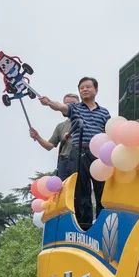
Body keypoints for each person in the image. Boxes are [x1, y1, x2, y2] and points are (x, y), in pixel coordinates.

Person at [39, 77, 111, 228]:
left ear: (96, 90)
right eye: (81, 88)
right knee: (81, 189)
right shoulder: (76, 108)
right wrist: (50, 102)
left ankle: (104, 221)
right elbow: (61, 107)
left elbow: (109, 131)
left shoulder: (104, 112)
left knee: (101, 188)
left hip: (98, 154)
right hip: (79, 152)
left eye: (87, 87)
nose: (84, 89)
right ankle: (84, 224)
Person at [30, 93, 80, 179]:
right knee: (64, 190)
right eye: (66, 104)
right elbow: (49, 146)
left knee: (80, 189)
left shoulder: (86, 120)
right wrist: (38, 137)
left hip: (80, 160)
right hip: (64, 163)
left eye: (73, 104)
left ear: (79, 105)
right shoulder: (60, 126)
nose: (69, 106)